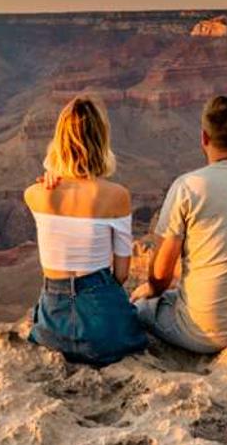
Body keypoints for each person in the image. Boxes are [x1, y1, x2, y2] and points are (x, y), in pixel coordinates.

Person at [132, 95, 227, 353]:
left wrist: (149, 289)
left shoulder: (188, 187)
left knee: (140, 306)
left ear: (204, 138)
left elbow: (161, 276)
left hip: (207, 333)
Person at [23, 96, 149, 365]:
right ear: (102, 140)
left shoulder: (35, 195)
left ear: (58, 141)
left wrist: (51, 171)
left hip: (51, 331)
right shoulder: (117, 196)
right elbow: (122, 274)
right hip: (103, 332)